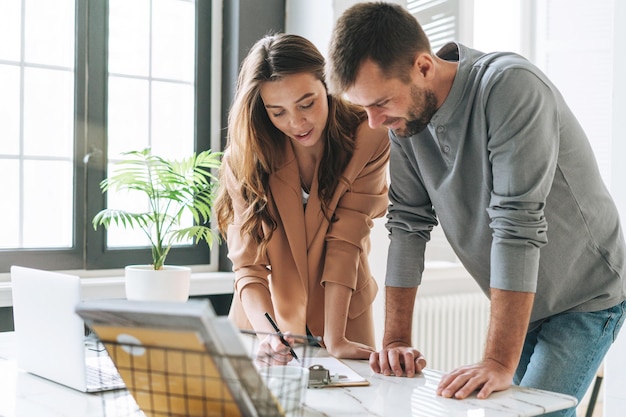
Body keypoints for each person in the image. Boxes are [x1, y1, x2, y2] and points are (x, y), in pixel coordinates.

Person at [326, 2, 626, 415]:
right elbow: (409, 224)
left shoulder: (510, 87)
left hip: (585, 293)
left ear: (424, 67)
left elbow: (516, 224)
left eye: (380, 102)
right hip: (530, 300)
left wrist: (499, 361)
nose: (374, 122)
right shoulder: (405, 121)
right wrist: (395, 341)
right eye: (365, 108)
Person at [214, 33, 390, 363]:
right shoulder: (245, 157)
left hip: (343, 316)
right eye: (277, 112)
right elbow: (248, 266)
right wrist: (269, 336)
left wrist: (336, 339)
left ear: (328, 84)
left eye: (306, 103)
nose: (296, 123)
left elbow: (347, 239)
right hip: (264, 322)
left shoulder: (369, 135)